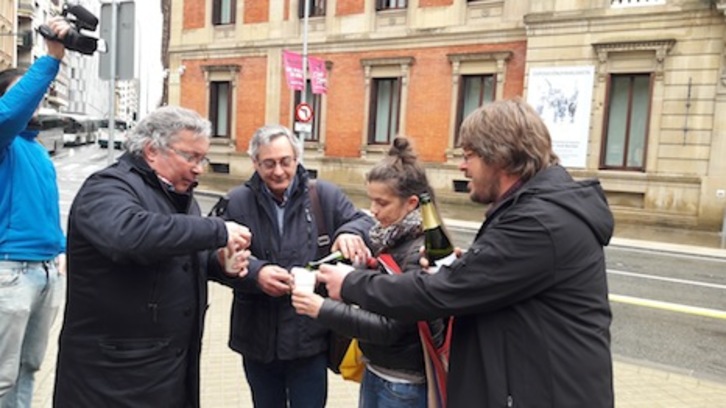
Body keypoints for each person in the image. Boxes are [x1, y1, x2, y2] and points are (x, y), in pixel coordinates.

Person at [319, 98, 615, 407]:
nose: (462, 166)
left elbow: (443, 292)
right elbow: (494, 285)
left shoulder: (539, 222)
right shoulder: (533, 210)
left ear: (499, 156)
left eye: (469, 155)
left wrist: (350, 283)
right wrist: (465, 267)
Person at [53, 106, 253, 407]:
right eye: (190, 157)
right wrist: (217, 230)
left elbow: (176, 254)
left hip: (166, 372)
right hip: (113, 378)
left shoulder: (178, 195)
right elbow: (128, 237)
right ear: (151, 151)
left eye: (203, 158)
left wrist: (218, 263)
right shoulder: (106, 187)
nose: (199, 168)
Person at [220, 124, 374, 408]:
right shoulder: (235, 202)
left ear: (297, 159)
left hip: (310, 339)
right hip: (257, 339)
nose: (278, 171)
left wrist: (350, 231)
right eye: (269, 164)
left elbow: (366, 222)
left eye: (285, 162)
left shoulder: (322, 195)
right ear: (255, 163)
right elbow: (211, 259)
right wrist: (256, 274)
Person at [292, 137, 444, 408]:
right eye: (370, 200)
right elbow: (370, 297)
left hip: (403, 383)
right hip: (375, 370)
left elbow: (389, 328)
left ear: (411, 204)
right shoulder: (386, 237)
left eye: (381, 203)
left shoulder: (423, 252)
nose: (372, 211)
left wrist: (321, 308)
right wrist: (326, 280)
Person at [0, 17, 71, 408]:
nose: (37, 98)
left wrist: (56, 255)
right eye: (26, 93)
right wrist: (50, 60)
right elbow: (7, 113)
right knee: (1, 376)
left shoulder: (36, 149)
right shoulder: (4, 141)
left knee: (27, 369)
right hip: (9, 271)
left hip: (44, 271)